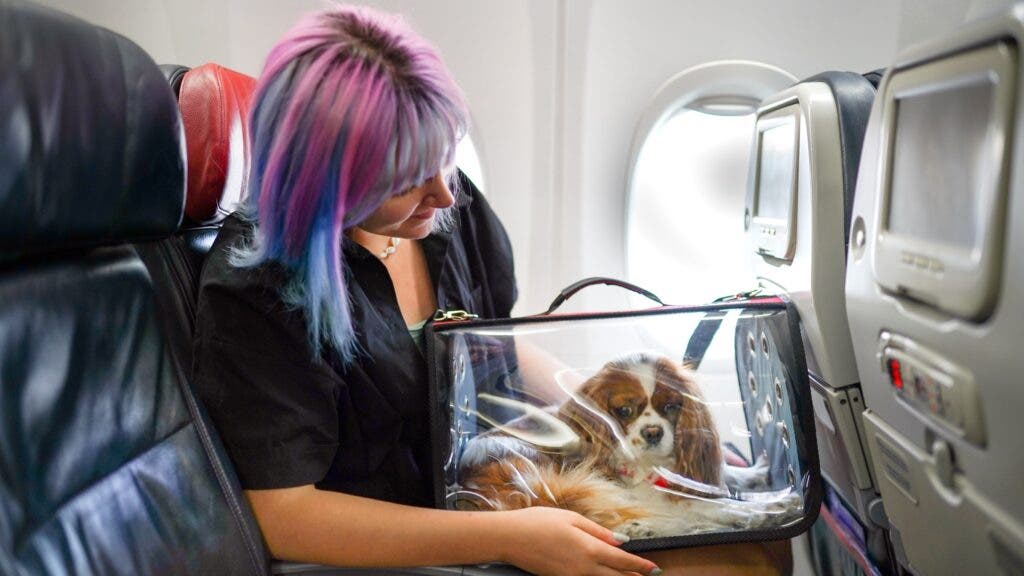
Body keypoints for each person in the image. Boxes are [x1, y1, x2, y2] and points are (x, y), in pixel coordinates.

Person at [192, 5, 789, 575]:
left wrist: (605, 421)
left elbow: (493, 345)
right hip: (414, 541)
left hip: (499, 483)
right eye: (406, 180)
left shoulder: (444, 213)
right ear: (332, 185)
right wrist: (513, 537)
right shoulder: (259, 289)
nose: (445, 195)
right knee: (742, 562)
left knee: (767, 532)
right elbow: (284, 516)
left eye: (444, 157)